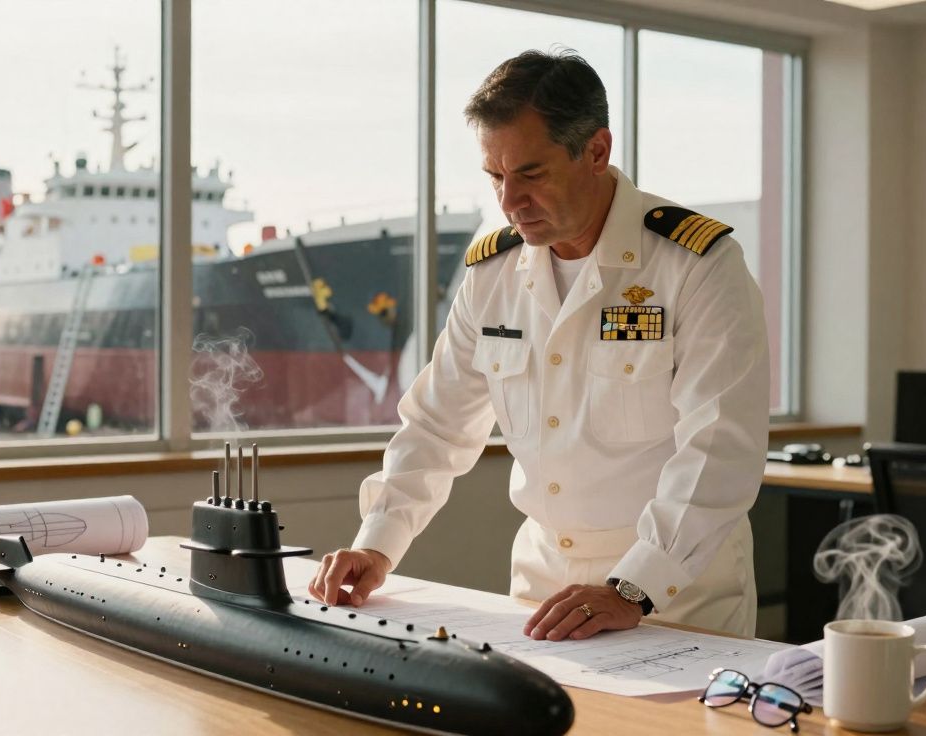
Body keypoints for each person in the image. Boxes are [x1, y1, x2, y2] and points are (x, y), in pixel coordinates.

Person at [308, 49, 769, 641]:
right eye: (495, 177)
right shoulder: (493, 273)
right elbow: (436, 426)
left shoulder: (695, 265)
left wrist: (633, 588)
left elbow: (719, 447)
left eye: (530, 173)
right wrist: (376, 544)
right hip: (543, 585)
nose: (508, 201)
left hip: (676, 590)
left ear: (596, 151)